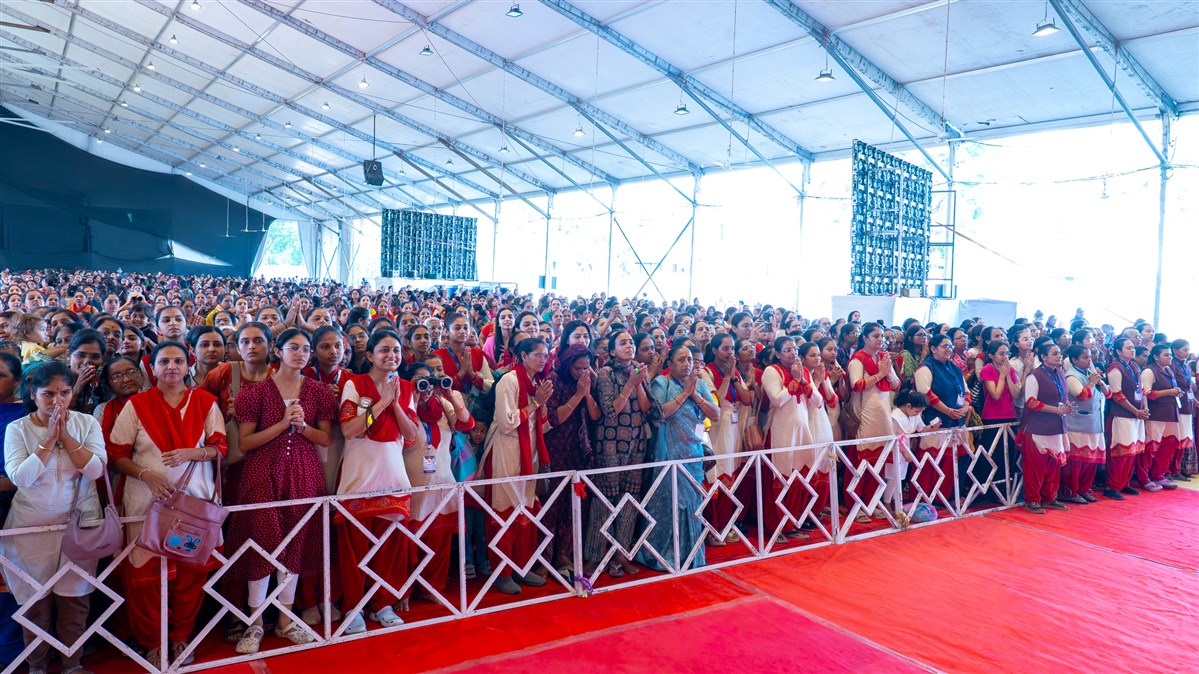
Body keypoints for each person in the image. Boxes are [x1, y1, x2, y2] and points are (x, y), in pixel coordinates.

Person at [105, 341, 226, 666]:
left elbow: (220, 448)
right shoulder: (137, 405)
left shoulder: (206, 402)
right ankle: (152, 641)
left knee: (189, 576)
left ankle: (181, 637)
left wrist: (193, 453)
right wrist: (146, 475)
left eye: (178, 361)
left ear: (187, 366)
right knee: (145, 579)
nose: (171, 366)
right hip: (145, 502)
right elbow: (116, 455)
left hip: (193, 502)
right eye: (164, 361)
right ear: (153, 368)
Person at [228, 328, 336, 654]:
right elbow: (246, 442)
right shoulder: (255, 392)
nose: (300, 354)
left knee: (295, 544)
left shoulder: (318, 392)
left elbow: (326, 439)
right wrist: (282, 424)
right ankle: (255, 622)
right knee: (261, 545)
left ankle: (285, 621)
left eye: (305, 349)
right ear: (278, 351)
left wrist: (303, 427)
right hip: (262, 474)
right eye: (293, 347)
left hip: (304, 473)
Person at [1, 361, 106, 674]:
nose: (57, 401)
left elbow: (96, 470)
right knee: (35, 602)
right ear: (33, 393)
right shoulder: (18, 429)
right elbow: (21, 477)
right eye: (48, 394)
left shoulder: (86, 423)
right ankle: (37, 667)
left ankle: (72, 664)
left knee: (75, 600)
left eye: (64, 393)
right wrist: (48, 440)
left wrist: (68, 438)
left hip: (80, 523)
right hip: (31, 526)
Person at [336, 329, 420, 634]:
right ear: (370, 355)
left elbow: (411, 435)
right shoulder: (354, 384)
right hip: (359, 476)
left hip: (393, 475)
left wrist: (395, 404)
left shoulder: (406, 388)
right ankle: (353, 606)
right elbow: (350, 430)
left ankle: (382, 603)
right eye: (384, 350)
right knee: (355, 549)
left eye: (396, 350)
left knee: (389, 547)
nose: (391, 355)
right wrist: (382, 404)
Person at [481, 337, 553, 594]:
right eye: (538, 354)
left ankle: (522, 566)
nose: (543, 359)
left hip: (528, 452)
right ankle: (502, 572)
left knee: (526, 508)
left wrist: (541, 405)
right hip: (506, 450)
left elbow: (543, 425)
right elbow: (506, 423)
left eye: (545, 354)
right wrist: (536, 403)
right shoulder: (509, 381)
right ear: (523, 356)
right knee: (505, 510)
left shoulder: (536, 383)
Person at [638, 345, 718, 571]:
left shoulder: (699, 384)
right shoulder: (661, 383)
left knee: (692, 503)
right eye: (681, 360)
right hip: (668, 452)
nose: (687, 364)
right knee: (667, 501)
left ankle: (691, 554)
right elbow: (659, 413)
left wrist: (696, 396)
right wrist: (684, 395)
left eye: (690, 359)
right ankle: (660, 554)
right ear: (670, 364)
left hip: (693, 453)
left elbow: (716, 414)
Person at [584, 331, 653, 579]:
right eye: (623, 343)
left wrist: (639, 383)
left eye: (631, 342)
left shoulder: (639, 370)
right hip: (610, 444)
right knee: (604, 499)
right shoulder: (606, 373)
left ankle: (621, 554)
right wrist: (630, 384)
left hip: (635, 443)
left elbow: (646, 408)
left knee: (630, 498)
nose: (629, 346)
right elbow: (610, 410)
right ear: (612, 351)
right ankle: (594, 555)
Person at [408, 356, 472, 593]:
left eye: (429, 380)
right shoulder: (405, 406)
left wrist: (450, 396)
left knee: (440, 539)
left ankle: (432, 588)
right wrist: (412, 399)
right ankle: (405, 589)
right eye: (420, 381)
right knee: (409, 541)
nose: (426, 386)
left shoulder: (442, 406)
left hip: (443, 480)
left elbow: (467, 424)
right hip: (414, 483)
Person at [542, 344, 599, 573]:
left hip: (579, 448)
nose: (582, 372)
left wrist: (586, 393)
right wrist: (577, 395)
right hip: (556, 448)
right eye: (578, 368)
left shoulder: (588, 380)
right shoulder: (554, 380)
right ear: (567, 365)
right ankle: (544, 559)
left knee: (573, 504)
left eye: (586, 367)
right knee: (552, 504)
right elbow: (553, 418)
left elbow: (595, 416)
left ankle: (564, 555)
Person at [760, 336, 818, 539]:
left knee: (799, 477)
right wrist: (794, 380)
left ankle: (793, 522)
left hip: (802, 429)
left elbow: (818, 401)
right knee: (780, 477)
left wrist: (803, 380)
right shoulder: (771, 371)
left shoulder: (802, 371)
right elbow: (777, 401)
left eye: (794, 349)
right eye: (787, 350)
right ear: (777, 353)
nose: (793, 353)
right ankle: (776, 527)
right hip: (781, 430)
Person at [700, 334, 752, 544]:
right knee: (717, 475)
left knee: (731, 474)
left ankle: (726, 524)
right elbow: (716, 401)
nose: (730, 352)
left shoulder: (734, 371)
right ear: (714, 350)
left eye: (732, 348)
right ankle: (713, 528)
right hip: (716, 428)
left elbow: (747, 399)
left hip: (733, 428)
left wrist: (735, 378)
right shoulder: (706, 372)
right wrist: (727, 377)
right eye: (725, 348)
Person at [848, 323, 900, 518]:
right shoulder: (858, 359)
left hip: (883, 415)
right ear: (865, 338)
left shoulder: (884, 358)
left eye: (882, 336)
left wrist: (887, 374)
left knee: (878, 461)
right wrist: (880, 374)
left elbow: (896, 385)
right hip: (865, 416)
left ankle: (871, 502)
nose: (881, 339)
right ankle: (855, 506)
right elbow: (857, 385)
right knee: (861, 462)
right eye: (876, 336)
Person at [1019, 343, 1072, 514]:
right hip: (1037, 427)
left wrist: (1066, 405)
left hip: (1057, 425)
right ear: (1043, 357)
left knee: (1053, 465)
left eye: (1059, 353)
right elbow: (1031, 402)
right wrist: (1057, 409)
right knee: (1035, 467)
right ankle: (1033, 500)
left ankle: (1050, 497)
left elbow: (1061, 396)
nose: (1059, 356)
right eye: (1054, 353)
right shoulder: (1034, 376)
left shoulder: (1060, 374)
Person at [1061, 346, 1107, 504]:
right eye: (1085, 357)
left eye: (1090, 357)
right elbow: (1081, 395)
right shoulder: (1071, 376)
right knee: (1076, 462)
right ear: (1074, 360)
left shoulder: (1089, 374)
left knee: (1090, 460)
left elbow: (1108, 393)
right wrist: (1092, 383)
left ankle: (1084, 489)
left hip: (1095, 424)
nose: (1089, 360)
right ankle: (1070, 491)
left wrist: (1099, 382)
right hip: (1077, 424)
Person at [1104, 337, 1149, 499]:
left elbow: (1142, 390)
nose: (1132, 350)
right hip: (1121, 415)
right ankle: (1112, 485)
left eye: (1132, 348)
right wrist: (1136, 411)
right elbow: (1117, 395)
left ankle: (1125, 483)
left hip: (1136, 414)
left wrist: (1144, 409)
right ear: (1118, 351)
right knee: (1121, 451)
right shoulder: (1114, 368)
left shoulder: (1134, 366)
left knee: (1133, 451)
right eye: (1128, 348)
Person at [1139, 344, 1182, 491]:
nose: (1170, 357)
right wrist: (1169, 392)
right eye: (1166, 355)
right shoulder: (1149, 371)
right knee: (1151, 447)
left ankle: (1159, 475)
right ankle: (1144, 478)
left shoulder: (1168, 370)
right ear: (1156, 357)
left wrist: (1175, 392)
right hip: (1156, 414)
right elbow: (1146, 393)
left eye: (1170, 354)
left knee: (1168, 445)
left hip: (1170, 412)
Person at [887, 390, 938, 506]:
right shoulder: (895, 417)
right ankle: (887, 503)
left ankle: (896, 502)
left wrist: (931, 427)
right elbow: (895, 438)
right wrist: (904, 452)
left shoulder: (914, 415)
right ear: (908, 406)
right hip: (894, 450)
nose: (917, 414)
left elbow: (921, 428)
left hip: (905, 448)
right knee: (892, 478)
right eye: (916, 411)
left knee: (900, 477)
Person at [1170, 339, 1196, 480]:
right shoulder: (1172, 364)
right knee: (1177, 439)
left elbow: (1188, 387)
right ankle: (1171, 469)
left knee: (1184, 439)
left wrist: (1195, 401)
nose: (1187, 353)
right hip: (1178, 406)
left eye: (1188, 350)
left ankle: (1177, 468)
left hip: (1187, 404)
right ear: (1175, 350)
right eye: (1184, 350)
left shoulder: (1184, 365)